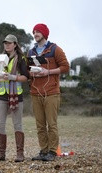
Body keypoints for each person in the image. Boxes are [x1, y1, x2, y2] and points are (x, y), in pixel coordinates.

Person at [27, 24, 70, 161]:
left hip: (51, 92)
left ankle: (52, 152)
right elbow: (27, 70)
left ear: (45, 33)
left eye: (38, 31)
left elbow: (65, 67)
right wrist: (32, 73)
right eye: (34, 32)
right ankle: (43, 151)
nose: (35, 34)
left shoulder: (55, 49)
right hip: (35, 92)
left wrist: (48, 72)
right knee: (40, 125)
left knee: (51, 124)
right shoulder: (31, 52)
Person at [0, 34, 29, 162]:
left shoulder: (21, 58)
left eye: (9, 43)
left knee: (17, 125)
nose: (7, 45)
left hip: (16, 95)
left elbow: (26, 77)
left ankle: (20, 154)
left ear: (15, 44)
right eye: (5, 43)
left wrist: (12, 77)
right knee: (0, 125)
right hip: (1, 95)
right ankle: (1, 154)